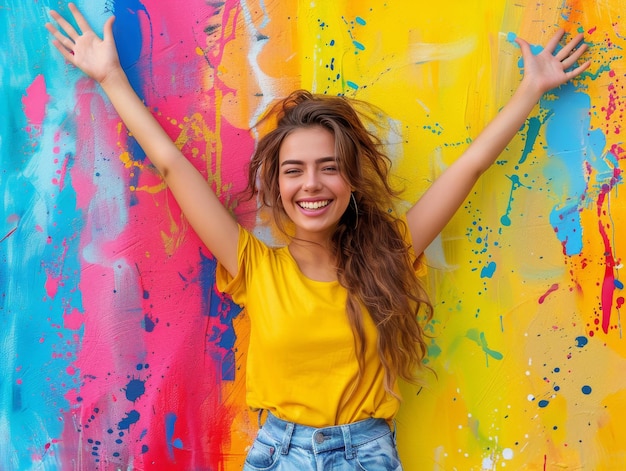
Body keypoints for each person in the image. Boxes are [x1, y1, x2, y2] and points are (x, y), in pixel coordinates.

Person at [46, 4, 590, 470]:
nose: (311, 184)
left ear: (350, 181)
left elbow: (467, 169)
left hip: (367, 453)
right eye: (294, 170)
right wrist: (110, 76)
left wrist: (531, 88)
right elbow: (169, 166)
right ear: (275, 184)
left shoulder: (391, 255)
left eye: (329, 168)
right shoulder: (253, 265)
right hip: (277, 452)